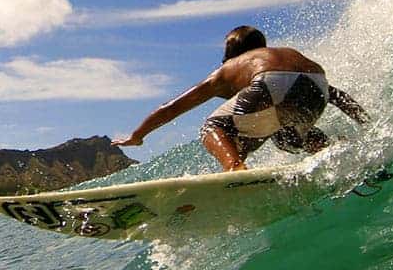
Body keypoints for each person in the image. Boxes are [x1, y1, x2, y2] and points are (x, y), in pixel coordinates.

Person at [112, 26, 370, 171]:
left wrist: (138, 135)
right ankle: (338, 155)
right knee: (288, 136)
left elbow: (172, 107)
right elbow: (336, 95)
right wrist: (366, 122)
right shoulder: (285, 54)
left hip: (270, 86)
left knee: (212, 126)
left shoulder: (230, 68)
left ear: (230, 52)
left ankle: (235, 167)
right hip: (317, 87)